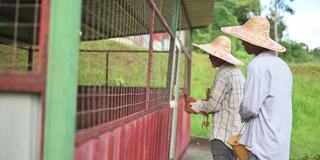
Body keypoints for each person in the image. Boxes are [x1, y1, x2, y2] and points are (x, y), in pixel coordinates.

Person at [222, 16, 293, 160]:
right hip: (280, 145)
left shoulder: (257, 65)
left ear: (256, 42)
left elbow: (250, 107)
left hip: (262, 145)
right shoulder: (284, 67)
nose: (242, 43)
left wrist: (242, 114)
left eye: (245, 39)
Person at [185, 35, 245, 160]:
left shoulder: (224, 74)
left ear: (219, 56)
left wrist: (194, 106)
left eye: (212, 54)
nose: (209, 57)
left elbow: (213, 105)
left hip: (223, 137)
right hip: (236, 136)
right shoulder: (237, 72)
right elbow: (222, 102)